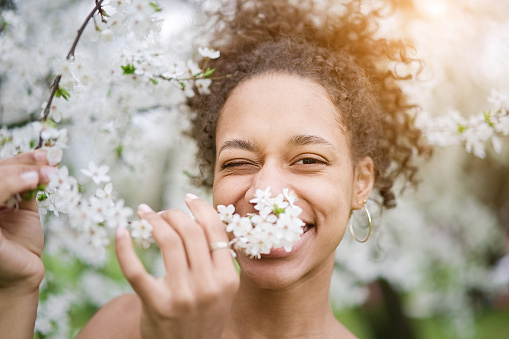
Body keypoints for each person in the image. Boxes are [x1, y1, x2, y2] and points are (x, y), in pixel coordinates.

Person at [0, 0, 429, 338]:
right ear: (212, 178)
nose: (267, 191)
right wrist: (13, 292)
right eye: (239, 162)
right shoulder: (124, 325)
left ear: (361, 182)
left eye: (308, 161)